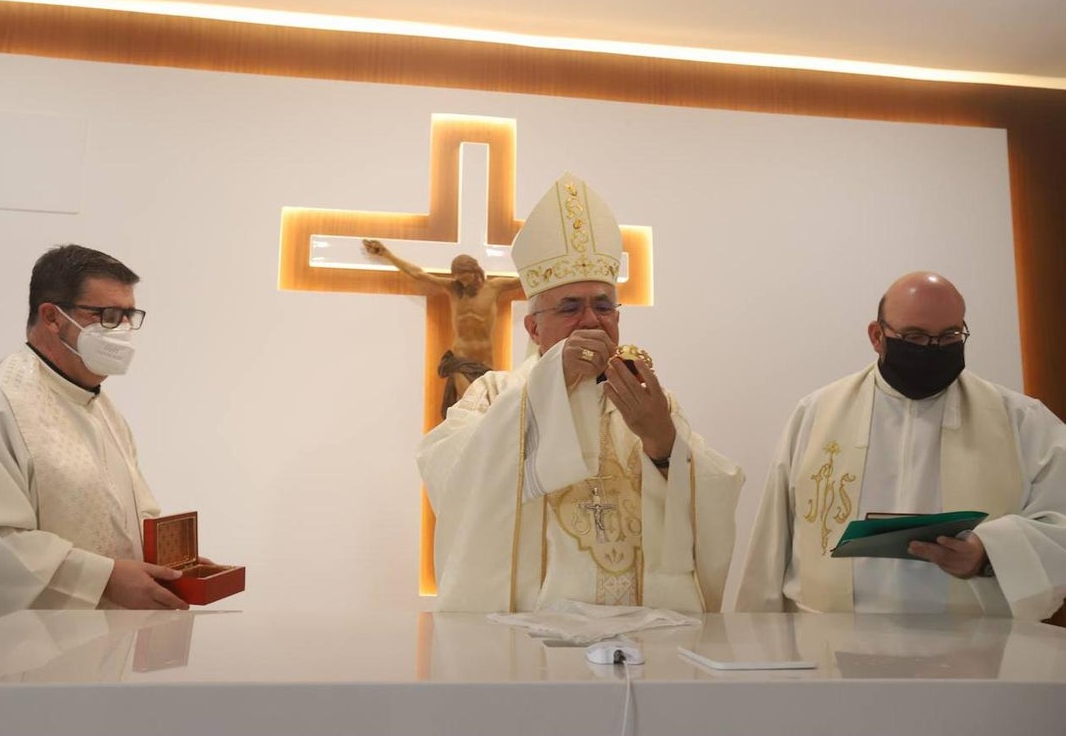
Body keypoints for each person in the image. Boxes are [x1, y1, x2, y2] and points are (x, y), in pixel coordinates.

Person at [418, 173, 744, 613]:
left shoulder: (648, 398)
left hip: (642, 634)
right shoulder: (495, 394)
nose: (591, 320)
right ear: (534, 328)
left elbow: (715, 490)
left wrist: (663, 445)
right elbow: (447, 472)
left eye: (604, 306)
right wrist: (546, 393)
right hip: (534, 636)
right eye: (570, 307)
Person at [735, 271, 1066, 620]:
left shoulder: (1020, 419)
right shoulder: (817, 414)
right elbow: (773, 535)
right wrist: (758, 634)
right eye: (915, 336)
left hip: (973, 644)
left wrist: (989, 553)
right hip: (832, 638)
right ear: (877, 336)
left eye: (949, 335)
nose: (933, 348)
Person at [0, 244, 188, 643]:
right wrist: (104, 579)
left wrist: (173, 564)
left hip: (100, 647)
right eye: (107, 316)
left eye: (129, 316)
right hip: (16, 660)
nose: (122, 331)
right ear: (52, 317)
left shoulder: (102, 409)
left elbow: (128, 517)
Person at [363, 240, 522, 416]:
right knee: (471, 406)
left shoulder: (495, 287)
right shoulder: (453, 288)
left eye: (464, 277)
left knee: (486, 411)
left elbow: (522, 280)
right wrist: (386, 254)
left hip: (485, 363)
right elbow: (418, 274)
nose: (461, 282)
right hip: (461, 360)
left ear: (475, 271)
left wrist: (547, 263)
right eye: (458, 278)